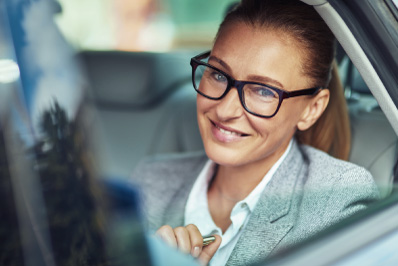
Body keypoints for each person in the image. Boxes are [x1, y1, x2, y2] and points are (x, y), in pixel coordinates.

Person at [130, 0, 380, 265]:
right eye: (217, 74)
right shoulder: (148, 182)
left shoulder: (337, 199)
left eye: (263, 91)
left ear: (312, 110)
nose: (225, 110)